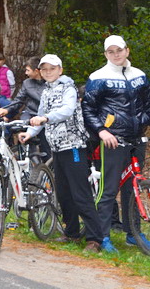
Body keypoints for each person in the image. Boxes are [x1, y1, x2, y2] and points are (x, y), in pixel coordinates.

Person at [19, 55, 103, 253]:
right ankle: (72, 233)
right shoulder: (46, 90)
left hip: (73, 147)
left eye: (52, 68)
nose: (48, 72)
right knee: (64, 194)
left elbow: (66, 111)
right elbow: (39, 116)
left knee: (80, 193)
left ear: (60, 70)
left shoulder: (69, 89)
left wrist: (45, 118)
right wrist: (29, 133)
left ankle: (95, 239)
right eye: (44, 69)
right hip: (56, 149)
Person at [83, 35, 150, 253]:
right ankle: (102, 236)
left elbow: (147, 104)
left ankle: (133, 233)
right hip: (112, 141)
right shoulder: (98, 77)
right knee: (109, 189)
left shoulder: (139, 75)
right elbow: (88, 110)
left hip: (136, 139)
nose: (116, 54)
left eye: (119, 50)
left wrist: (143, 122)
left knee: (133, 187)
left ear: (127, 50)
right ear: (105, 54)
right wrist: (102, 131)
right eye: (111, 51)